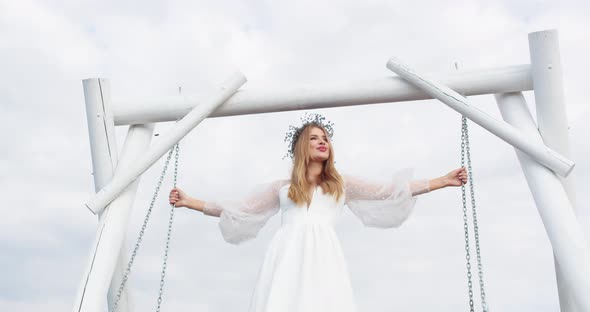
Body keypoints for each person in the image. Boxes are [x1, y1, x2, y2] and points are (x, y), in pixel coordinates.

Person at [169, 112, 468, 312]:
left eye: (325, 138)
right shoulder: (282, 187)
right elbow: (238, 209)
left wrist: (442, 181)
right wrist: (189, 201)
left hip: (324, 254)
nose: (322, 141)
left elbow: (389, 191)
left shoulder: (342, 184)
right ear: (302, 147)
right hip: (287, 254)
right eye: (314, 138)